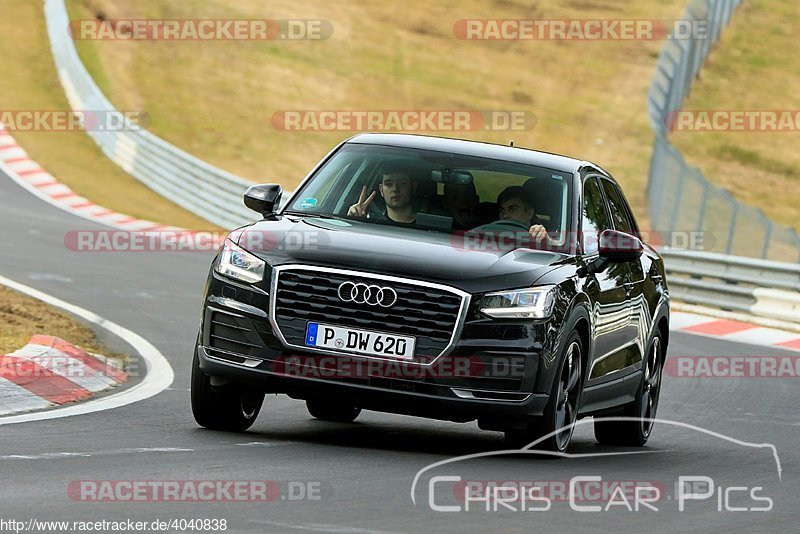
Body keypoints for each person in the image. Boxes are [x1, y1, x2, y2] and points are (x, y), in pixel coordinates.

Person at [347, 168, 418, 224]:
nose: (395, 189)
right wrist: (352, 221)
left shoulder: (427, 225)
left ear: (413, 187)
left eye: (402, 183)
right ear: (381, 190)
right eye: (388, 184)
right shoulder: (371, 225)